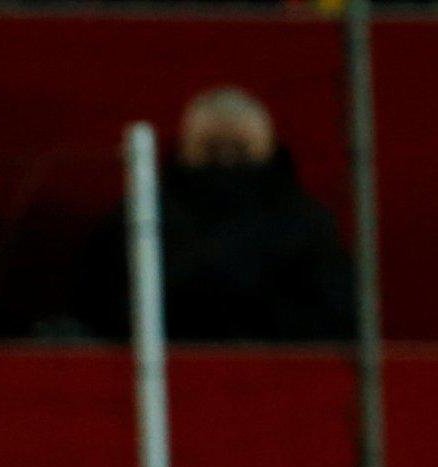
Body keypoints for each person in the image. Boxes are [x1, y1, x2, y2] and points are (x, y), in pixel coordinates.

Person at [72, 86, 354, 343]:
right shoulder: (140, 217)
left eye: (241, 151)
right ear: (185, 148)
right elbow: (101, 308)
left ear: (267, 148)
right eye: (211, 150)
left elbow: (333, 319)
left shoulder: (306, 224)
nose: (226, 161)